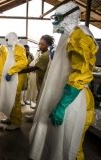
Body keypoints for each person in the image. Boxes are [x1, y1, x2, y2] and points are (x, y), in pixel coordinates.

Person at [29, 2, 98, 160]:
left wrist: (62, 105)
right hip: (62, 96)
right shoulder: (66, 36)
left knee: (70, 145)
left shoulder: (79, 34)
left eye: (58, 18)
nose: (55, 22)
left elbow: (82, 72)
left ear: (71, 16)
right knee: (58, 143)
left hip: (73, 99)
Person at [0, 32, 28, 130]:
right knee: (5, 97)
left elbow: (23, 62)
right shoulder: (5, 47)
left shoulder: (18, 48)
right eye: (6, 39)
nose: (7, 41)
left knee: (14, 99)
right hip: (4, 79)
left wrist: (11, 72)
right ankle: (8, 117)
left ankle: (16, 122)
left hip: (14, 78)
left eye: (9, 39)